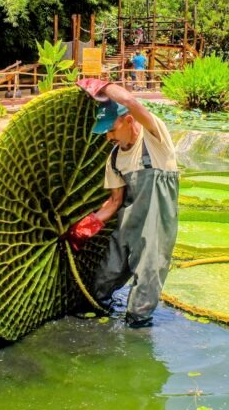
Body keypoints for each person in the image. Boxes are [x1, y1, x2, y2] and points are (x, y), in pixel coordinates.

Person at [64, 78, 179, 328]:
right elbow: (115, 201)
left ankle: (137, 334)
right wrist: (84, 228)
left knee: (143, 293)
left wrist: (102, 87)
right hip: (127, 228)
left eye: (111, 129)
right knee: (103, 278)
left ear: (128, 120)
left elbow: (129, 101)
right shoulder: (115, 159)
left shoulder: (155, 139)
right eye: (105, 132)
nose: (108, 137)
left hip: (155, 229)